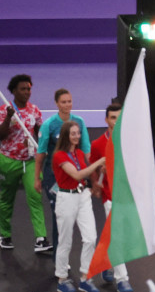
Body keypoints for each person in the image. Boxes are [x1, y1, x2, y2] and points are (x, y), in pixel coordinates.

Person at [0, 73, 49, 252]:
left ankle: (40, 239)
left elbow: (40, 132)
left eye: (29, 89)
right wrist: (9, 118)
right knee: (7, 198)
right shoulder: (5, 110)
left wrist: (40, 145)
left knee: (35, 196)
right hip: (9, 161)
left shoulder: (35, 110)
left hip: (30, 161)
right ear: (14, 91)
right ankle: (5, 235)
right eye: (23, 89)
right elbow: (0, 135)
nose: (27, 92)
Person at [52, 122, 105, 292]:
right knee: (65, 240)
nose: (76, 136)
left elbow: (86, 175)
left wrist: (98, 175)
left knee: (90, 237)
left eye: (78, 133)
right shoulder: (59, 156)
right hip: (66, 198)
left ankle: (85, 278)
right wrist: (98, 163)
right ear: (66, 135)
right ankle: (62, 279)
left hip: (83, 196)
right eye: (73, 133)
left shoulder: (80, 153)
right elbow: (76, 174)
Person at [36, 87, 89, 253]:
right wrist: (37, 177)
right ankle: (59, 259)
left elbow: (86, 150)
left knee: (74, 216)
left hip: (75, 176)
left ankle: (63, 255)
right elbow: (41, 153)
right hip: (54, 177)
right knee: (59, 214)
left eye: (69, 101)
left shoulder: (79, 122)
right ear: (56, 103)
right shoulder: (49, 125)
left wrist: (90, 175)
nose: (67, 105)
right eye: (63, 102)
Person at [89, 102, 135, 292]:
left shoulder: (130, 140)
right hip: (110, 196)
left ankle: (107, 264)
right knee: (117, 236)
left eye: (119, 117)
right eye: (113, 118)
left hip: (127, 196)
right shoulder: (98, 144)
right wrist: (96, 182)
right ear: (107, 119)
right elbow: (92, 168)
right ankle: (122, 279)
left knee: (117, 235)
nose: (116, 121)